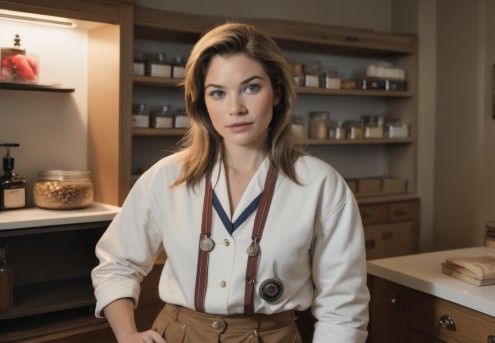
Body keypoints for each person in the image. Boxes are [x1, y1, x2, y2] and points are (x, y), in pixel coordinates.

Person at [91, 22, 369, 343]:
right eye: (218, 93)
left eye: (251, 87)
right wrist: (127, 334)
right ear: (202, 103)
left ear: (277, 92)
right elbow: (117, 264)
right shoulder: (166, 177)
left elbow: (343, 306)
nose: (235, 108)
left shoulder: (321, 185)